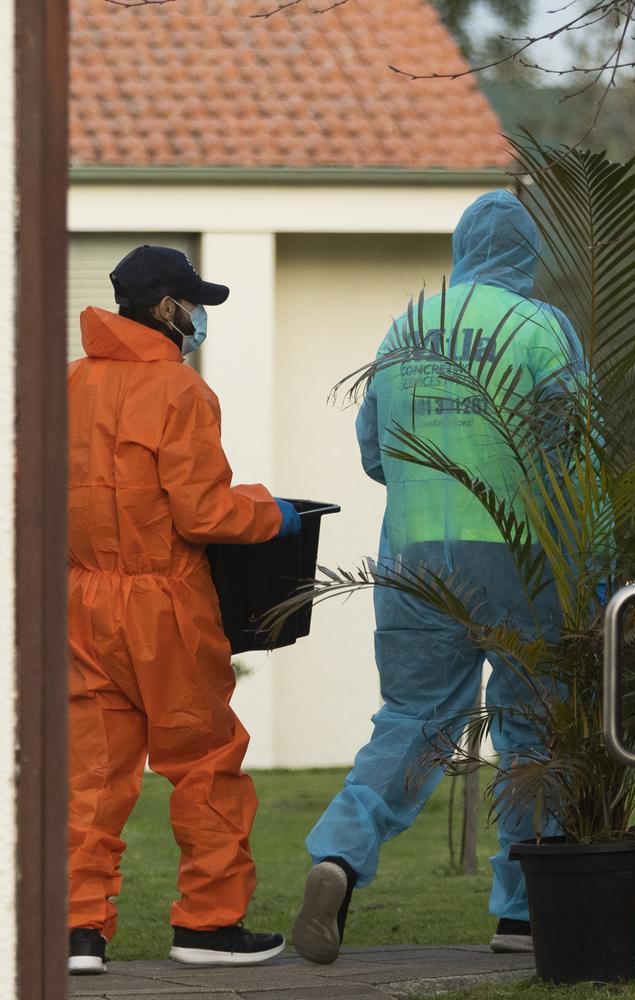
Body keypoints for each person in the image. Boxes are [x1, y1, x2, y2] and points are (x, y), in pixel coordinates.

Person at [292, 191, 584, 964]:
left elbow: (373, 452)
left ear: (461, 247)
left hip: (416, 559)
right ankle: (523, 915)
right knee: (531, 732)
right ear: (530, 254)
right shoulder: (540, 328)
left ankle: (340, 858)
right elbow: (571, 451)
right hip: (523, 559)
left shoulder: (406, 327)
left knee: (413, 721)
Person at [67, 245, 300, 975]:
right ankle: (208, 924)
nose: (198, 318)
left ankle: (78, 934)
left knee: (91, 775)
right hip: (164, 604)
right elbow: (203, 515)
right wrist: (272, 513)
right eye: (194, 304)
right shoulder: (181, 393)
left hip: (80, 602)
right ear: (167, 307)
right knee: (205, 761)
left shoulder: (66, 386)